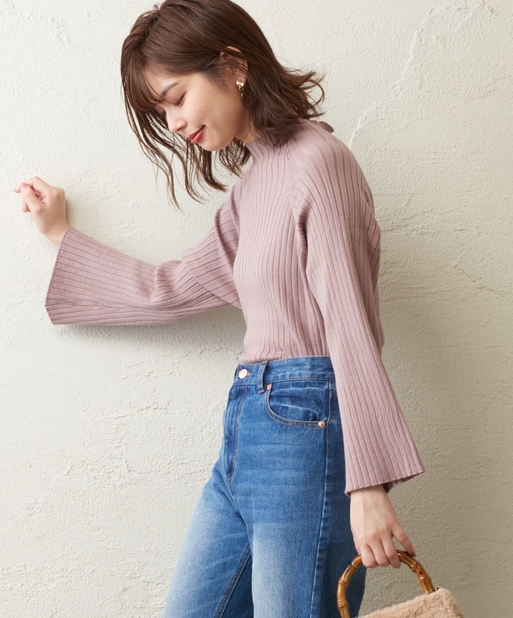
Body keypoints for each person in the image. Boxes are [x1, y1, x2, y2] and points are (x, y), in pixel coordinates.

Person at [15, 0, 425, 616]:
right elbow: (174, 287)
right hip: (247, 430)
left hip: (307, 434)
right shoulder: (250, 191)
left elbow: (351, 325)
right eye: (163, 111)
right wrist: (60, 236)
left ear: (233, 65)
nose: (175, 122)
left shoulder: (320, 163)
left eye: (177, 97)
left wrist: (367, 482)